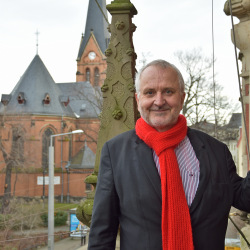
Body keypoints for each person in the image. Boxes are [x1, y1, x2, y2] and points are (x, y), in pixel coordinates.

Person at [88, 60, 250, 250]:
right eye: (150, 92)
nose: (159, 101)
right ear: (138, 99)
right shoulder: (115, 152)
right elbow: (102, 233)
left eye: (168, 91)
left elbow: (244, 198)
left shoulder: (217, 151)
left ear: (182, 98)